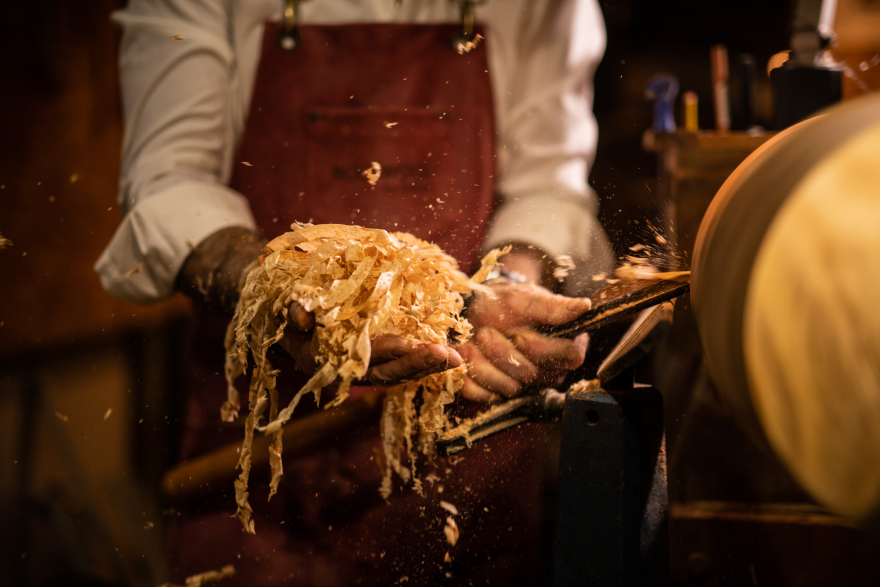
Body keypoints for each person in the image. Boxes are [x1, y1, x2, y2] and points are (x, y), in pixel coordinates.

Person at [96, 0, 614, 584]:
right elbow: (170, 184)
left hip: (461, 458)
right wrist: (273, 292)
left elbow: (546, 182)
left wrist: (511, 278)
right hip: (259, 462)